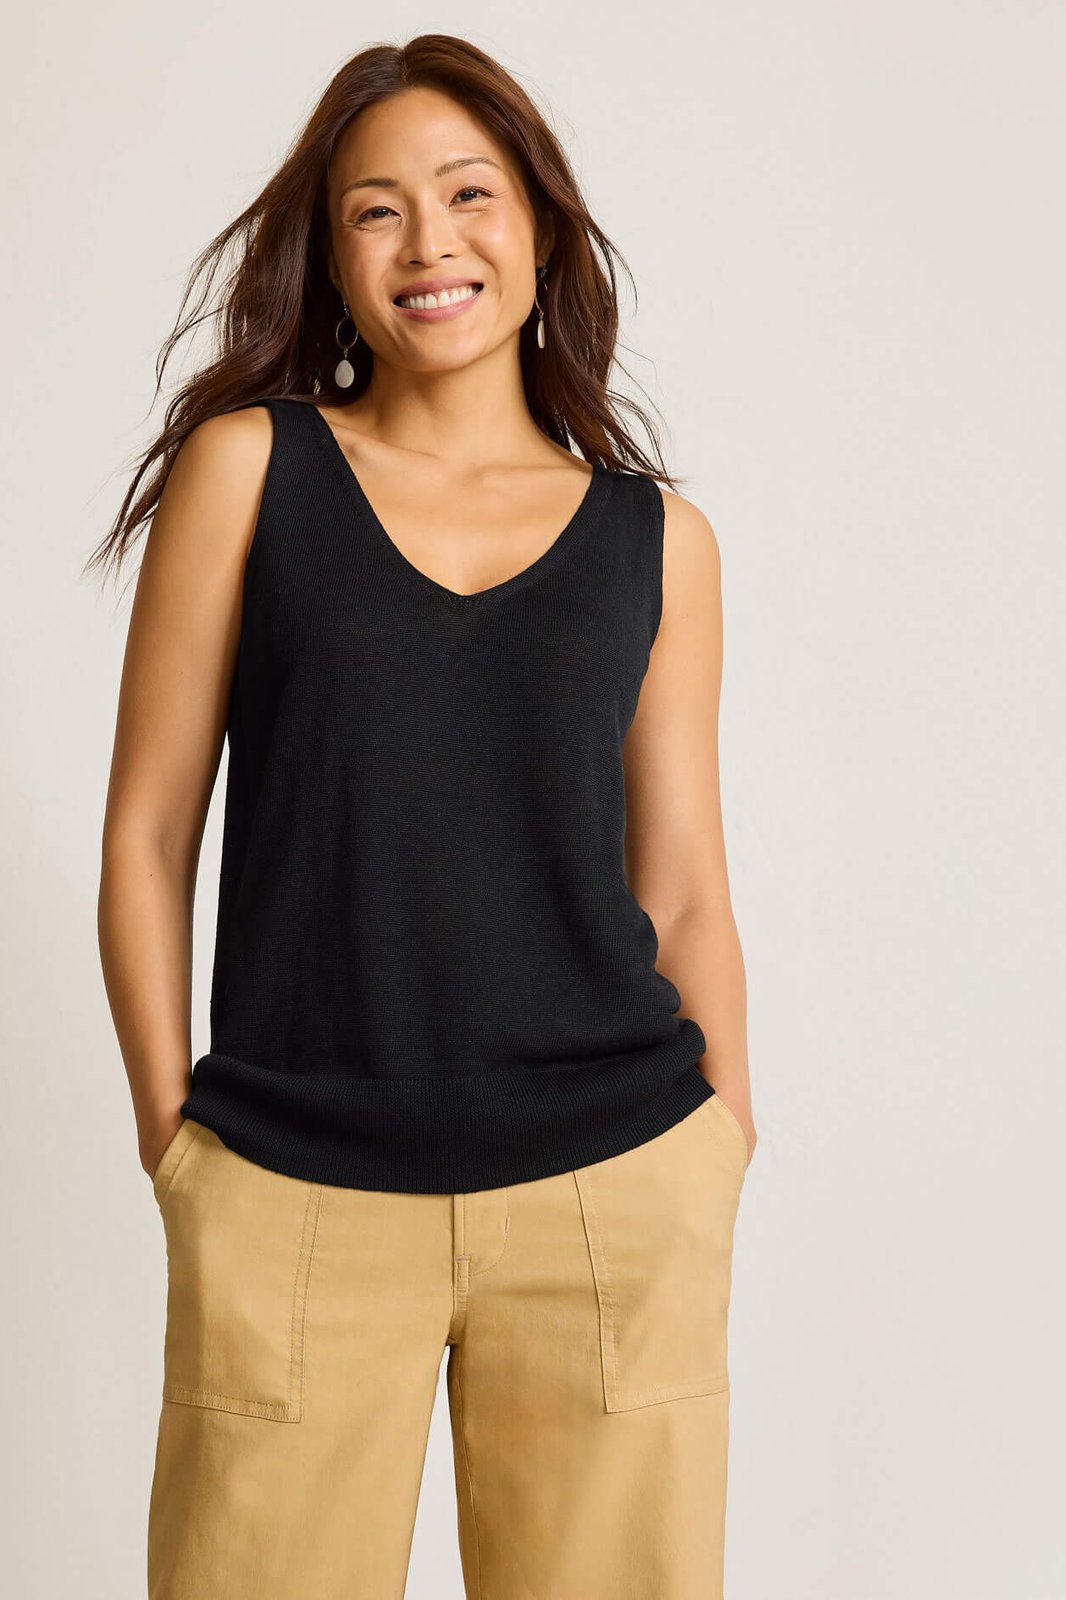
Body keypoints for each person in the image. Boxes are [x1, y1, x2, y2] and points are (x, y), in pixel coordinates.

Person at [93, 33, 758, 1600]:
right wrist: (177, 1145)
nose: (428, 243)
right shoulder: (249, 471)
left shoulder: (659, 539)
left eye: (468, 195)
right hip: (294, 1187)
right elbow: (149, 834)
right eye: (376, 211)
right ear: (333, 259)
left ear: (540, 228)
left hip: (614, 1189)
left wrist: (720, 1146)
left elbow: (682, 886)